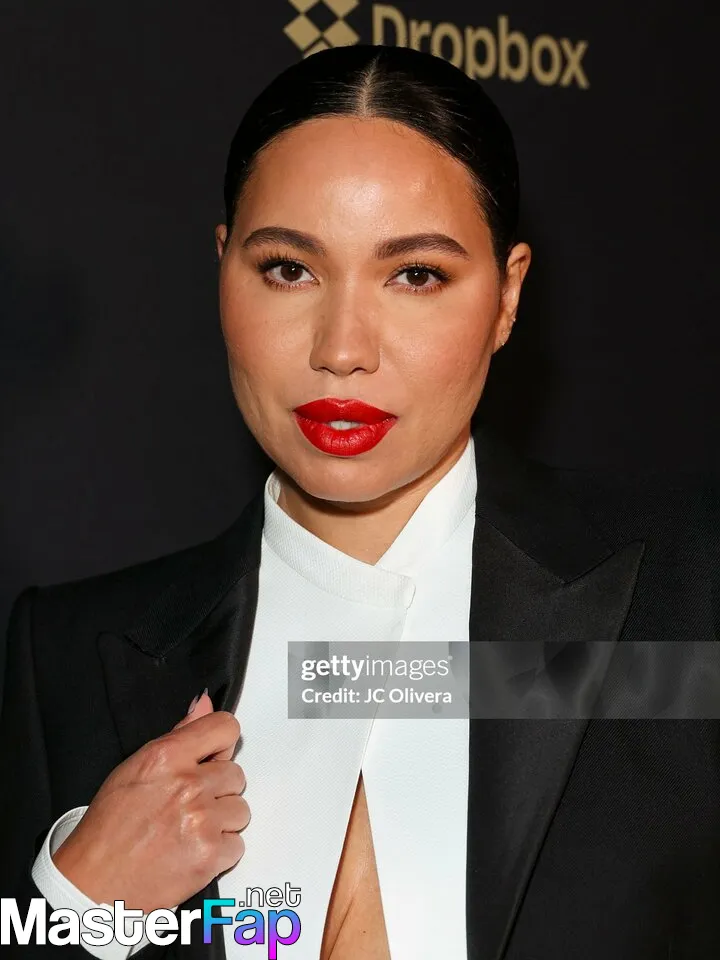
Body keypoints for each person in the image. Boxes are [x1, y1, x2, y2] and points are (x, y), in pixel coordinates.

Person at [1, 42, 718, 960]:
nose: (341, 349)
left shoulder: (689, 603)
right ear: (222, 269)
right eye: (288, 269)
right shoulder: (68, 653)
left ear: (507, 296)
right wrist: (77, 912)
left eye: (415, 274)